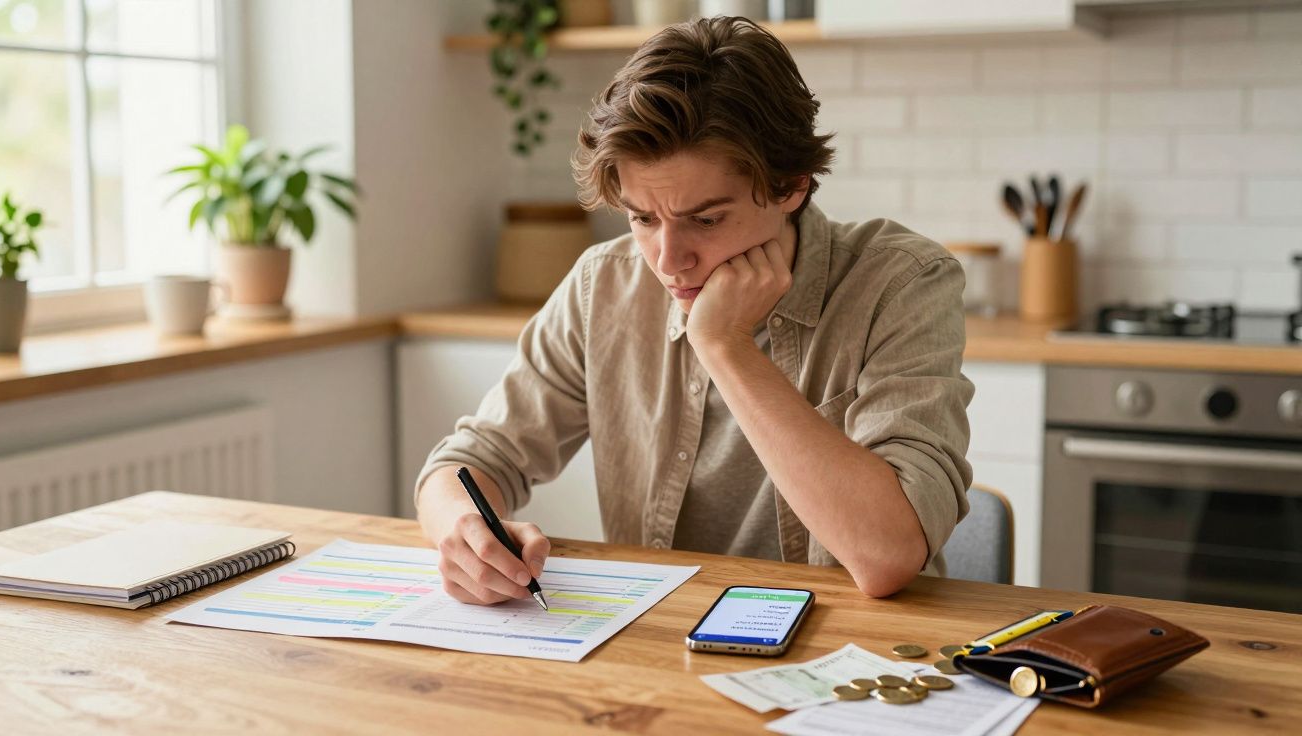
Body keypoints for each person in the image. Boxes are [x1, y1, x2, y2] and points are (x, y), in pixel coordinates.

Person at [415, 16, 973, 605]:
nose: (669, 260)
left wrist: (725, 345)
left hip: (856, 657)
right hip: (661, 645)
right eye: (642, 219)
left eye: (705, 220)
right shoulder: (603, 285)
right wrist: (463, 531)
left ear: (791, 187)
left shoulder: (902, 282)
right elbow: (468, 463)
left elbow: (887, 556)